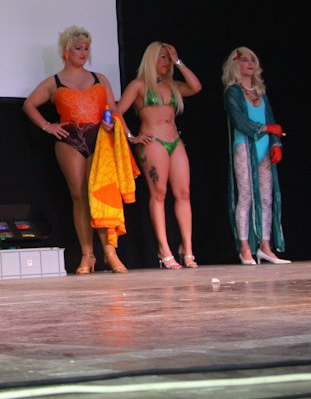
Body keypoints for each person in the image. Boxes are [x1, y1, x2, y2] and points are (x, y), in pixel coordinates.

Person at [23, 26, 136, 274]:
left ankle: (110, 253)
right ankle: (87, 255)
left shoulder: (99, 78)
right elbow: (29, 104)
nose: (83, 52)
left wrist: (118, 128)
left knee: (102, 193)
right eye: (78, 48)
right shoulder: (54, 82)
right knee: (79, 196)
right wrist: (48, 126)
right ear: (66, 51)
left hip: (100, 137)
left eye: (86, 48)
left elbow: (112, 109)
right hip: (70, 139)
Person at [117, 42, 202, 269]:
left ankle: (187, 249)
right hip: (153, 142)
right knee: (159, 193)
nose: (166, 62)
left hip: (175, 141)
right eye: (162, 57)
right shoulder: (138, 85)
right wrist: (131, 136)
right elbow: (116, 112)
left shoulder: (172, 85)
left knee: (183, 193)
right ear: (151, 58)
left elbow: (196, 87)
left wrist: (178, 61)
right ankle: (164, 249)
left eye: (168, 58)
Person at [222, 47, 289, 265]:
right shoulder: (232, 92)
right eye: (244, 60)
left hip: (264, 148)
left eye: (253, 59)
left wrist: (276, 143)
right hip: (244, 147)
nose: (250, 63)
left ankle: (265, 246)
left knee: (266, 197)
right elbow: (240, 121)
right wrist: (268, 129)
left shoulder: (261, 92)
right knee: (246, 196)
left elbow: (270, 117)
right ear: (235, 64)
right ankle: (244, 248)